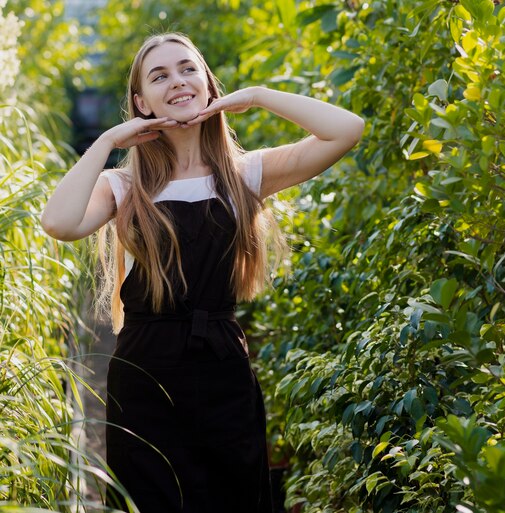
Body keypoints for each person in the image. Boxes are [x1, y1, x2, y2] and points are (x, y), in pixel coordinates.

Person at [41, 32, 363, 512]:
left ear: (209, 85)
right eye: (159, 76)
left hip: (223, 372)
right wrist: (109, 140)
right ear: (141, 102)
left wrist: (255, 98)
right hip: (144, 378)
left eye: (188, 69)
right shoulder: (124, 185)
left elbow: (347, 128)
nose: (177, 82)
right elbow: (59, 222)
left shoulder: (244, 174)